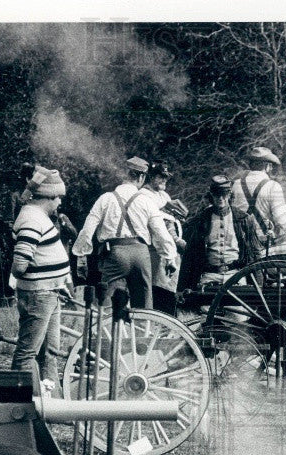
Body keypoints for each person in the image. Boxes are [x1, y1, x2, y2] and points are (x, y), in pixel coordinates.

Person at [72, 156, 177, 310]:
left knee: (107, 305)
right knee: (143, 306)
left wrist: (81, 257)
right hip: (141, 254)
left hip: (115, 254)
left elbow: (87, 230)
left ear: (125, 175)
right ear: (141, 177)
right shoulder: (147, 201)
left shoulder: (105, 199)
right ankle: (143, 330)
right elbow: (161, 232)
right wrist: (169, 257)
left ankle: (108, 328)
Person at [10, 166, 70, 393]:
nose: (60, 204)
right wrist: (44, 281)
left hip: (49, 291)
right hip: (39, 294)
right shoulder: (31, 219)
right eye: (58, 198)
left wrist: (57, 282)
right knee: (28, 352)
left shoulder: (37, 216)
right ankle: (16, 404)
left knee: (50, 352)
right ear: (48, 197)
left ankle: (51, 402)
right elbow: (20, 265)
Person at [180, 175, 256, 290]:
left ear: (229, 194)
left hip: (236, 275)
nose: (220, 198)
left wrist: (259, 285)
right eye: (216, 194)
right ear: (211, 195)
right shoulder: (201, 220)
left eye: (224, 194)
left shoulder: (243, 219)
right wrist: (181, 288)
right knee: (205, 308)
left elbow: (253, 253)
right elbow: (189, 255)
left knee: (239, 308)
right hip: (209, 276)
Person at [138, 161, 188, 317]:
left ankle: (168, 327)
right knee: (160, 290)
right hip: (156, 250)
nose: (164, 180)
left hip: (170, 248)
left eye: (166, 178)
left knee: (169, 291)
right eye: (161, 177)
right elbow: (160, 225)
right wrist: (176, 240)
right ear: (151, 177)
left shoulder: (163, 195)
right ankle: (161, 327)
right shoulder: (144, 195)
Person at [231, 146, 286, 250]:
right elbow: (281, 218)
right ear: (267, 165)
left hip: (238, 239)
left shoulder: (236, 184)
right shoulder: (273, 186)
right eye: (271, 165)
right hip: (261, 241)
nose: (272, 168)